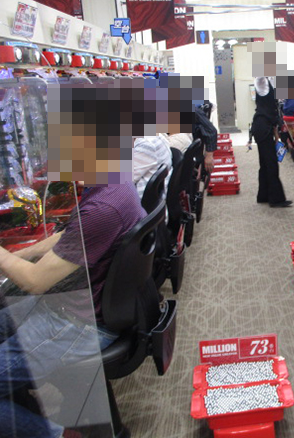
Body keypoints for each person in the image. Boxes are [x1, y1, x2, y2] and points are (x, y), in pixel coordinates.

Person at [0, 183, 146, 437]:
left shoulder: (102, 207)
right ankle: (24, 407)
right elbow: (72, 234)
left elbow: (34, 282)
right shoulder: (115, 184)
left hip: (76, 323)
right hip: (77, 305)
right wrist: (22, 254)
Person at [249, 76, 292, 208]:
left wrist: (276, 134)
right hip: (263, 127)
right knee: (271, 163)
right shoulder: (262, 82)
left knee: (265, 163)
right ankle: (275, 199)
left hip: (263, 126)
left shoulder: (268, 84)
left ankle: (264, 195)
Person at [133, 134, 173, 199]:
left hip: (140, 199)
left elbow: (123, 181)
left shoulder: (146, 144)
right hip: (154, 196)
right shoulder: (156, 135)